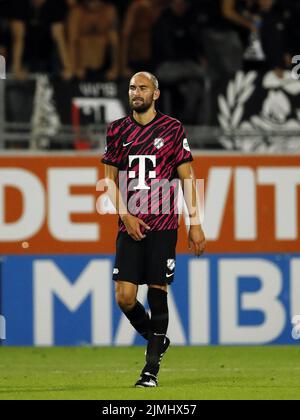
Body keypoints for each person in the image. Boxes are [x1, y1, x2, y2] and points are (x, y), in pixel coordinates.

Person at [102, 71, 206, 387]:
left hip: (162, 223)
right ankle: (157, 339)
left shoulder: (172, 129)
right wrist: (126, 216)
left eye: (143, 87)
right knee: (124, 296)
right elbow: (108, 181)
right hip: (130, 225)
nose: (136, 92)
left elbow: (187, 177)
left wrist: (195, 224)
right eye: (133, 87)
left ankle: (150, 372)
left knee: (157, 291)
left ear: (155, 94)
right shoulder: (117, 130)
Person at [10, 0, 72, 80]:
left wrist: (67, 67)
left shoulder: (56, 4)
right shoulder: (19, 4)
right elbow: (18, 38)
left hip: (48, 59)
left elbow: (58, 37)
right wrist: (17, 68)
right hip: (25, 58)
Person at [68, 0, 119, 81]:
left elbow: (114, 42)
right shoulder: (77, 12)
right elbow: (73, 41)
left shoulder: (109, 11)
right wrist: (73, 67)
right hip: (82, 68)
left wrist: (115, 67)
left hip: (104, 67)